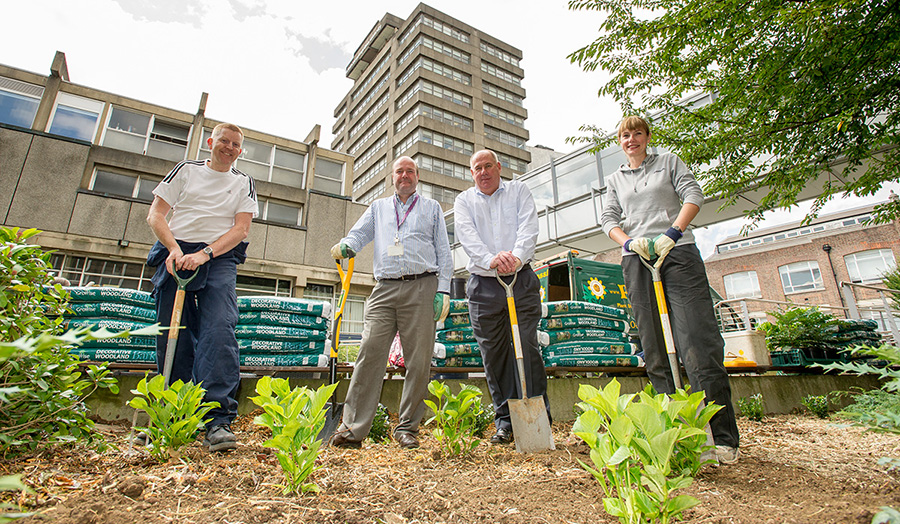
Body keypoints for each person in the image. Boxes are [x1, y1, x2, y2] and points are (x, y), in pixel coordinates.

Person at [600, 115, 740, 464]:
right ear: (620, 141)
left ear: (647, 137)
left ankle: (720, 436)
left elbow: (694, 194)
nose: (630, 139)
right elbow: (608, 219)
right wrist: (630, 242)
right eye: (624, 135)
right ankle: (672, 434)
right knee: (654, 345)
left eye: (636, 133)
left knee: (697, 341)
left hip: (676, 253)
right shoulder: (615, 178)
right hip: (638, 260)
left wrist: (673, 233)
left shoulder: (668, 162)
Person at [145, 122, 258, 453]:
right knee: (171, 333)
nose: (229, 147)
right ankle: (170, 416)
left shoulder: (243, 182)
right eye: (224, 141)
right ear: (211, 142)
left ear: (240, 150)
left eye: (235, 144)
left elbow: (241, 229)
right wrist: (174, 250)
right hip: (176, 251)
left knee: (219, 330)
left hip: (218, 255)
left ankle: (216, 419)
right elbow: (156, 215)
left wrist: (205, 253)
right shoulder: (185, 170)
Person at [329, 156, 452, 449]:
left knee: (419, 361)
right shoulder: (378, 208)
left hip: (422, 287)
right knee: (369, 354)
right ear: (392, 177)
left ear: (418, 176)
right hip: (384, 288)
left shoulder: (432, 208)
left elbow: (444, 252)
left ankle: (407, 428)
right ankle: (353, 428)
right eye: (400, 171)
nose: (405, 175)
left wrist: (443, 290)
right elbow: (360, 234)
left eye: (410, 171)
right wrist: (348, 245)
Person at [453, 149, 549, 445]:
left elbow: (528, 228)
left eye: (488, 166)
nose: (483, 172)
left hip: (520, 280)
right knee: (494, 354)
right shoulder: (464, 201)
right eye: (477, 168)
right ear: (472, 173)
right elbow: (467, 236)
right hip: (484, 285)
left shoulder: (519, 191)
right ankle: (505, 421)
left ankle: (539, 416)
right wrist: (491, 259)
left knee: (527, 346)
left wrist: (515, 258)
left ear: (499, 167)